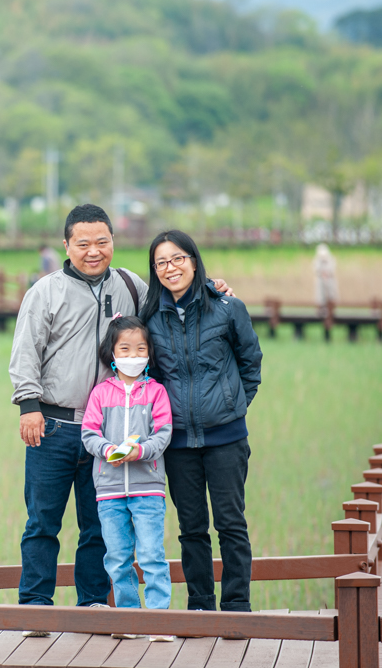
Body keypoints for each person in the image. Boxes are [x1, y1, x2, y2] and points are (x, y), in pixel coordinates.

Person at [9, 205, 234, 633]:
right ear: (66, 245)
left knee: (98, 525)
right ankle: (35, 608)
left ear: (113, 241)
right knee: (42, 522)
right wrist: (28, 406)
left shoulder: (130, 285)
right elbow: (25, 353)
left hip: (111, 430)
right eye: (83, 244)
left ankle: (93, 605)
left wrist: (211, 287)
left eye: (102, 242)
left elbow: (173, 296)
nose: (93, 251)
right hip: (54, 425)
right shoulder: (45, 291)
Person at [141, 230, 262, 613]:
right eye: (161, 262)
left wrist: (232, 405)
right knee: (191, 529)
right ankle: (200, 607)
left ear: (194, 261)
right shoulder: (149, 318)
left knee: (231, 523)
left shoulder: (227, 308)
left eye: (177, 258)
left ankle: (237, 607)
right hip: (177, 442)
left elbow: (250, 362)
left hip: (227, 439)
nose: (170, 268)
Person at [81, 315, 173, 642]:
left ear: (149, 353)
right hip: (109, 490)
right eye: (125, 349)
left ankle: (159, 621)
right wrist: (108, 450)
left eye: (140, 349)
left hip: (148, 488)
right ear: (112, 353)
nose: (133, 355)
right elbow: (89, 433)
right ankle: (129, 618)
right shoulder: (100, 394)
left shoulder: (156, 392)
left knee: (151, 555)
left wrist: (141, 451)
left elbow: (163, 433)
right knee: (118, 558)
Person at [313, 243, 338, 315]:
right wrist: (322, 274)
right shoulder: (317, 260)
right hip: (320, 281)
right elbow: (316, 269)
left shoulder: (331, 259)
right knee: (320, 296)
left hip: (330, 281)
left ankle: (331, 311)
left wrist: (327, 274)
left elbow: (332, 269)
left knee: (331, 295)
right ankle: (321, 310)